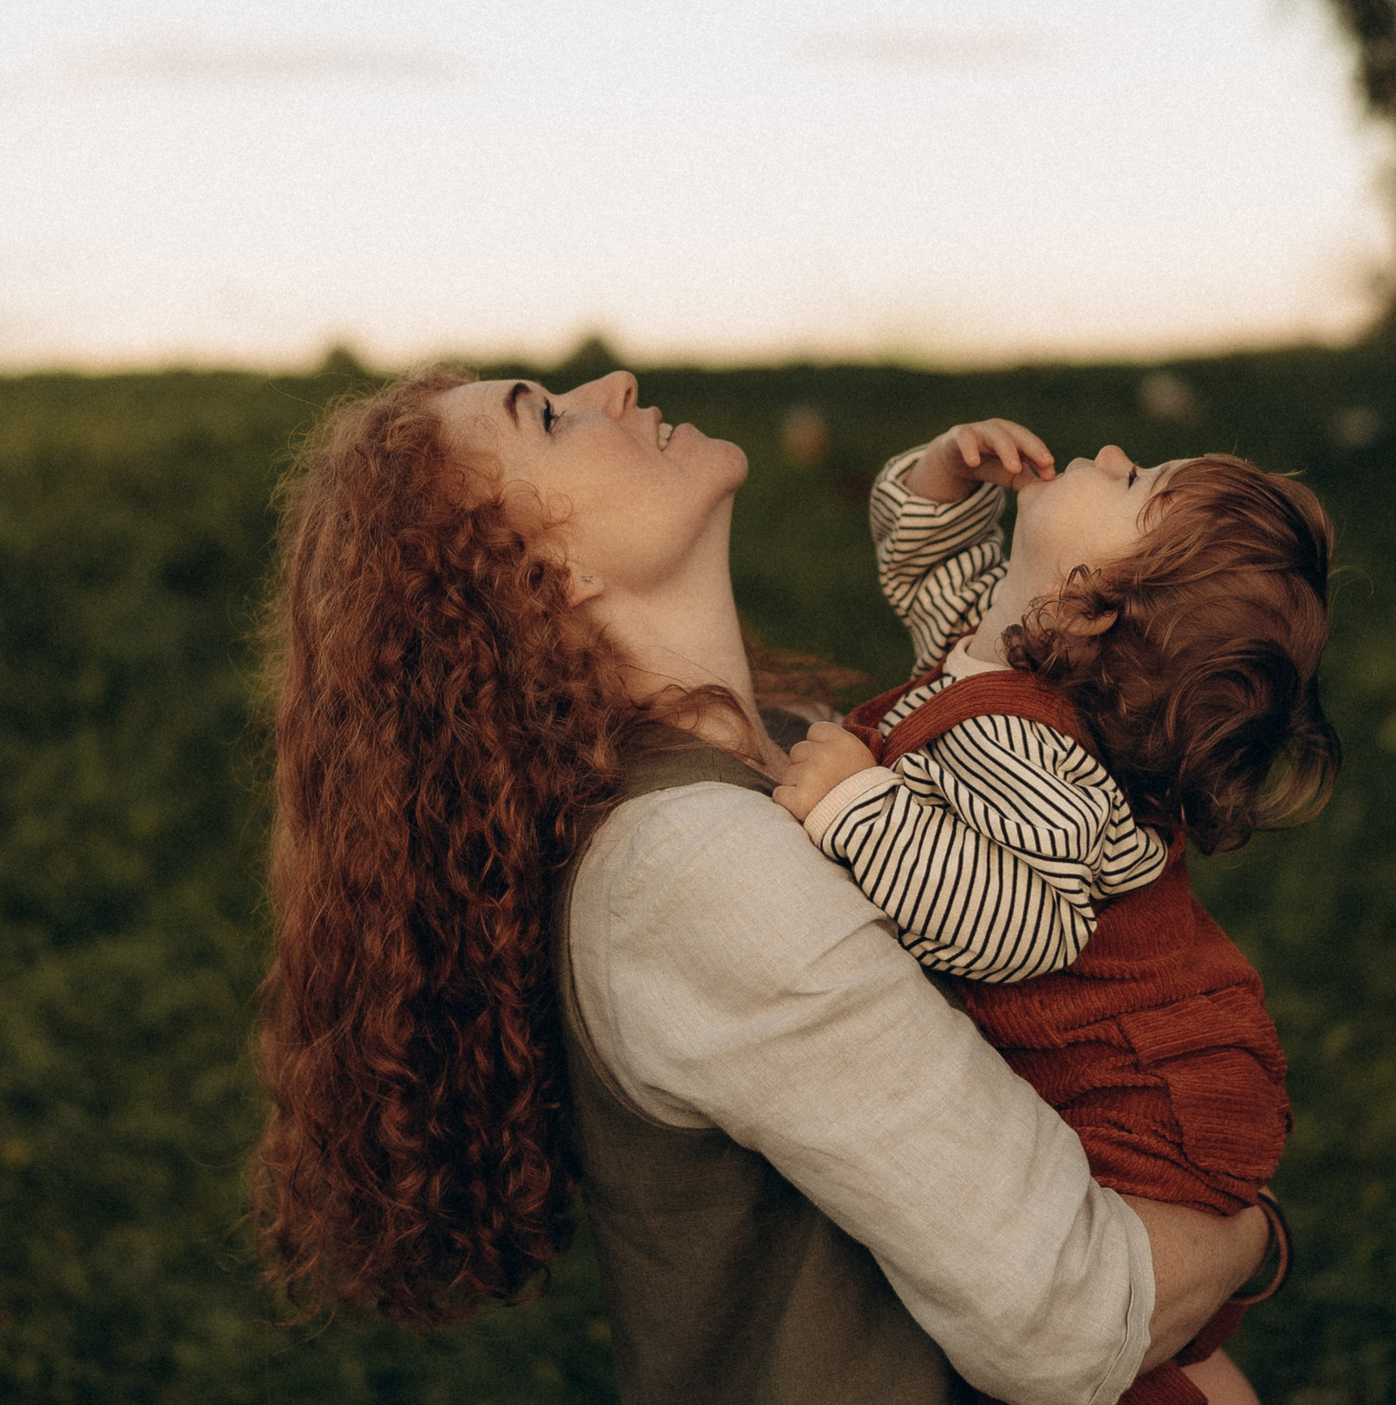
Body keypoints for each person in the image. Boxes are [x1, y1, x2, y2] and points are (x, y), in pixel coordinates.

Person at [251, 367, 1272, 1405]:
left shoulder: (784, 755)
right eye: (551, 416)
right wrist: (1250, 1232)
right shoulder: (697, 866)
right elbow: (1070, 1315)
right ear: (545, 575)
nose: (612, 382)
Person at [772, 419, 1340, 1405]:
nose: (1115, 453)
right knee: (1117, 1324)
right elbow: (927, 574)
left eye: (1135, 487)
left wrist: (852, 807)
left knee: (1075, 1326)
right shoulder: (1000, 646)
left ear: (1096, 608)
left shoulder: (1035, 749)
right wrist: (945, 481)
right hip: (1120, 1073)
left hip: (1142, 1089)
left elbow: (1019, 925)